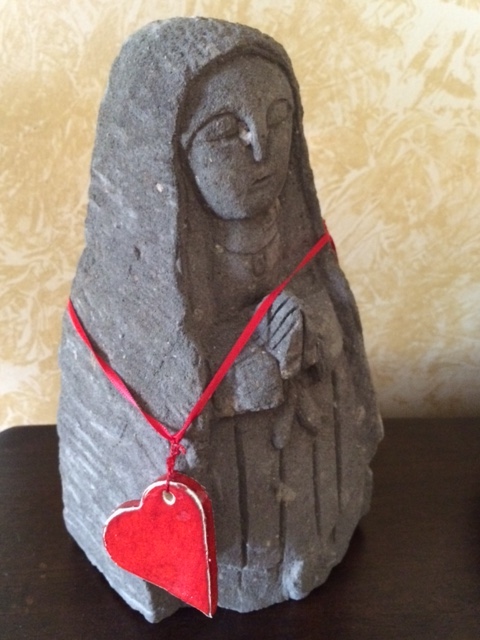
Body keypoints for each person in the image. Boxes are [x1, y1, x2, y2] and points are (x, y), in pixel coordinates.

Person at [58, 17, 383, 622]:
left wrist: (315, 331)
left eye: (279, 120)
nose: (263, 150)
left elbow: (337, 331)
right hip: (229, 507)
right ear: (168, 152)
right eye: (226, 131)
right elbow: (148, 383)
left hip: (310, 486)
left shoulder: (299, 240)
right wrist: (235, 380)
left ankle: (312, 540)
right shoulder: (131, 283)